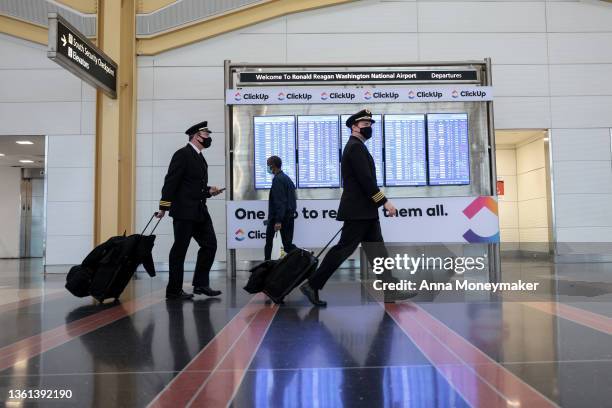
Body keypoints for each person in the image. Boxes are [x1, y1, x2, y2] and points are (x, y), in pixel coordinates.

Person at [300, 109, 400, 307]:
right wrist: (384, 201)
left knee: (378, 251)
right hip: (358, 211)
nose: (368, 127)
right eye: (364, 124)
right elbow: (366, 180)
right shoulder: (355, 148)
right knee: (343, 250)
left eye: (370, 124)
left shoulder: (358, 147)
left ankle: (390, 289)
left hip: (365, 212)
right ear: (354, 126)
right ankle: (312, 284)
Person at [156, 121, 224, 300]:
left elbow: (192, 185)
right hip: (184, 212)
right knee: (180, 250)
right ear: (196, 136)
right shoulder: (182, 154)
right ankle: (173, 290)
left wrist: (208, 190)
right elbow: (171, 182)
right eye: (206, 134)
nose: (209, 138)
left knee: (210, 245)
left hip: (199, 210)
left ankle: (200, 285)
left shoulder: (200, 157)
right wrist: (163, 207)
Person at [264, 155, 297, 260]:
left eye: (268, 165)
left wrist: (278, 220)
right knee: (287, 245)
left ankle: (266, 265)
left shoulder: (278, 180)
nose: (267, 168)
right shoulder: (287, 179)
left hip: (278, 218)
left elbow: (280, 202)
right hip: (288, 216)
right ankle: (303, 257)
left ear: (273, 166)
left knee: (269, 243)